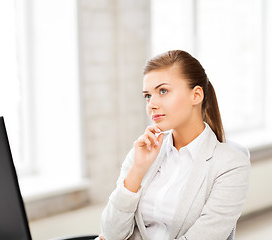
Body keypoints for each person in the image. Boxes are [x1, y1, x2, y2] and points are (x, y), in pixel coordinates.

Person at [98, 50, 250, 240]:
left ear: (196, 95)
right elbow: (111, 233)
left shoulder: (231, 164)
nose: (151, 104)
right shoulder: (143, 151)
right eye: (147, 95)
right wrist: (137, 170)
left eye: (163, 91)